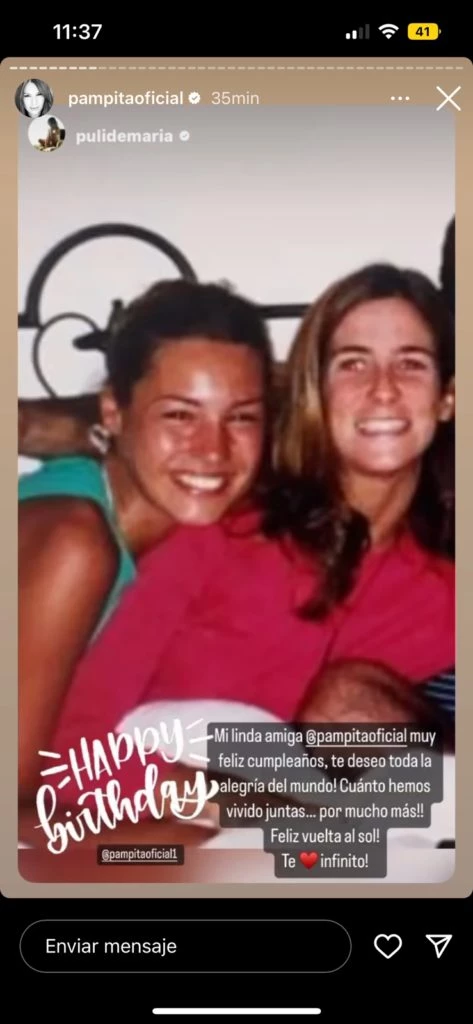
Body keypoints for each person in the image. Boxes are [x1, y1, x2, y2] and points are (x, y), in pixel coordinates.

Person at [47, 263, 454, 813]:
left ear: (448, 397)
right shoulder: (219, 530)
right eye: (353, 363)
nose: (383, 389)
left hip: (309, 829)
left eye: (411, 364)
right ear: (316, 392)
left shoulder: (441, 593)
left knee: (358, 711)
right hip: (149, 822)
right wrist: (255, 807)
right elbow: (72, 749)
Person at [19, 279, 274, 796]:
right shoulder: (75, 542)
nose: (213, 450)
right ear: (113, 413)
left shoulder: (149, 529)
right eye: (180, 415)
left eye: (241, 417)